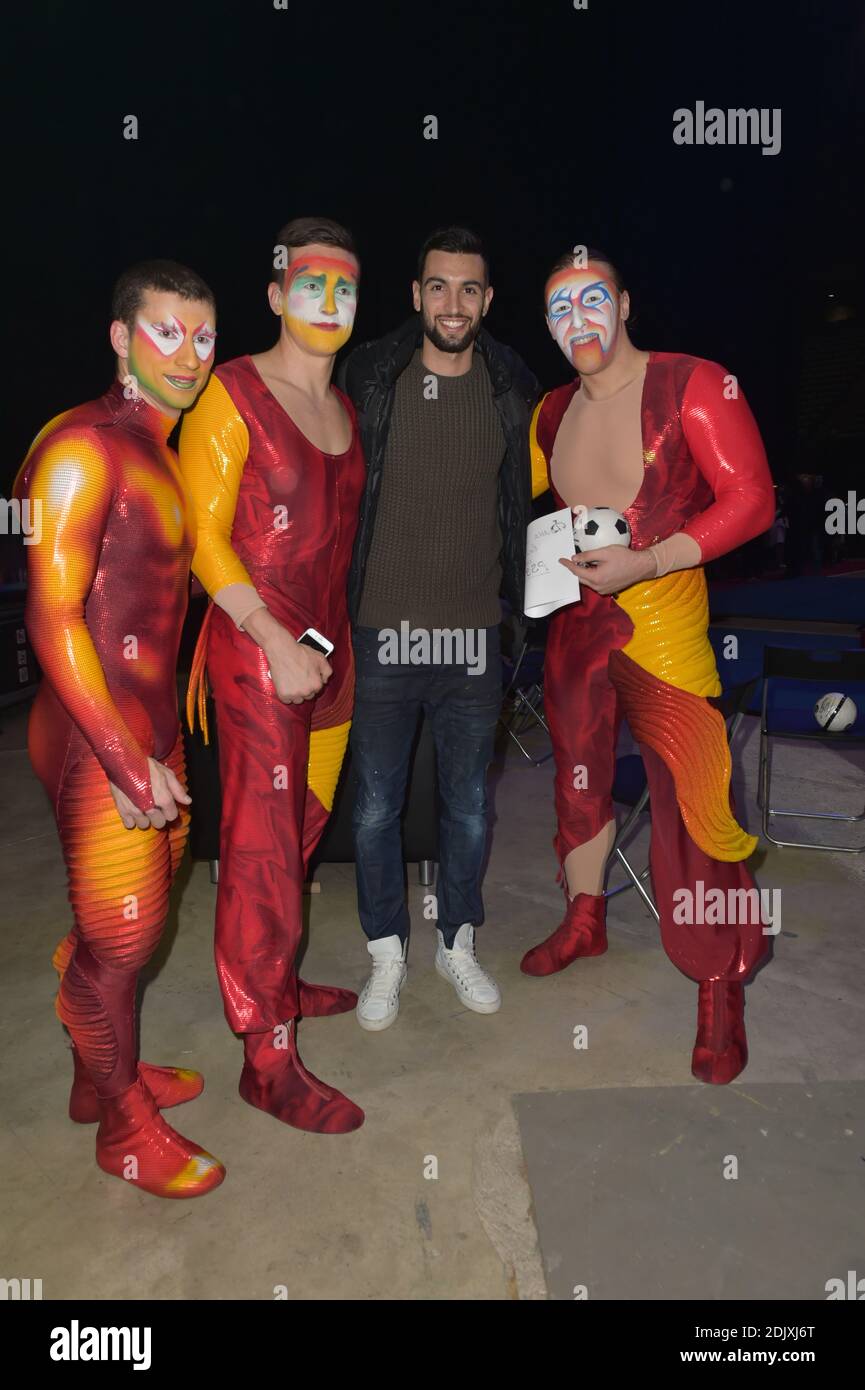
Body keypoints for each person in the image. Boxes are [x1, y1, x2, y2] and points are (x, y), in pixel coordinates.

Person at [520, 247, 776, 1084]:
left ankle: (719, 984)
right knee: (576, 782)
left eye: (592, 299)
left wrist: (654, 560)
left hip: (663, 631)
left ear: (624, 302)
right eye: (559, 308)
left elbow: (752, 501)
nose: (577, 321)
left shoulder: (693, 384)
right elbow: (523, 505)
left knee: (695, 805)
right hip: (575, 632)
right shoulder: (549, 412)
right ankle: (584, 915)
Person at [13, 260, 225, 1197]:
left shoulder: (162, 449)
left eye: (204, 335)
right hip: (98, 745)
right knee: (128, 939)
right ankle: (124, 1131)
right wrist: (122, 758)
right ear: (120, 337)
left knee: (123, 932)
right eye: (167, 332)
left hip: (147, 738)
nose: (189, 353)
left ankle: (99, 1078)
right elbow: (51, 617)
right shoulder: (82, 449)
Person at [180, 217, 366, 1133]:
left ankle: (279, 980)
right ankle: (265, 1054)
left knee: (299, 833)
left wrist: (332, 649)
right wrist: (270, 635)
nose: (327, 304)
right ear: (274, 293)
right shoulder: (233, 393)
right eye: (310, 284)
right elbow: (203, 537)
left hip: (330, 659)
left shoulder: (346, 410)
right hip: (261, 659)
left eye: (344, 290)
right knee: (257, 856)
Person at [339, 226, 537, 1031]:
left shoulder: (510, 389)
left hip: (470, 644)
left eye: (468, 289)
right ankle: (386, 949)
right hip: (381, 635)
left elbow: (539, 502)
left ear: (486, 301)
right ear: (416, 295)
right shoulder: (370, 380)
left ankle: (455, 939)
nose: (452, 303)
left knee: (466, 809)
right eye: (437, 286)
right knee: (376, 809)